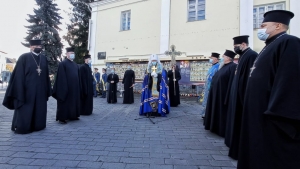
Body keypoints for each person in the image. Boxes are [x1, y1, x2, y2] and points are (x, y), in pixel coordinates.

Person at [237, 10, 300, 169]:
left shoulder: (289, 43)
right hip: (257, 113)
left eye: (264, 25)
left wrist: (276, 112)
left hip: (271, 116)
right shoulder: (268, 46)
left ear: (278, 25)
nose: (261, 29)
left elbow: (290, 81)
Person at [2, 39, 51, 134]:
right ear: (31, 47)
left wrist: (47, 89)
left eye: (40, 46)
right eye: (36, 46)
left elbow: (46, 75)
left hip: (40, 90)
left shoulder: (43, 58)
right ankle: (23, 126)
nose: (38, 48)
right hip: (27, 90)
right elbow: (18, 76)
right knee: (26, 109)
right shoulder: (24, 58)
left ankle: (38, 126)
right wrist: (20, 90)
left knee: (39, 108)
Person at [224, 36, 258, 159]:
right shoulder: (243, 56)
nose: (235, 49)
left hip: (242, 96)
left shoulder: (251, 55)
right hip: (236, 95)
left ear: (243, 44)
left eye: (235, 46)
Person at [204, 50, 237, 137]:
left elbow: (231, 82)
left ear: (228, 58)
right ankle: (214, 127)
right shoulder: (222, 66)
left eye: (223, 57)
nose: (222, 58)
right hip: (216, 94)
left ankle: (221, 130)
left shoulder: (233, 67)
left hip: (223, 94)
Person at [52, 47, 81, 124]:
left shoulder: (75, 65)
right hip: (66, 87)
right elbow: (61, 77)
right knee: (65, 102)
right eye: (71, 53)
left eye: (73, 53)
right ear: (67, 54)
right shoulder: (63, 64)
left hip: (74, 87)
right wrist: (64, 87)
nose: (72, 55)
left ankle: (73, 115)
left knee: (74, 102)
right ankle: (62, 118)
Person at [200, 53, 220, 118]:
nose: (210, 59)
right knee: (206, 101)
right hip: (207, 87)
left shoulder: (218, 67)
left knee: (209, 101)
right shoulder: (212, 67)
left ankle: (208, 114)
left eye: (211, 58)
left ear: (216, 59)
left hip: (211, 87)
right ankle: (205, 114)